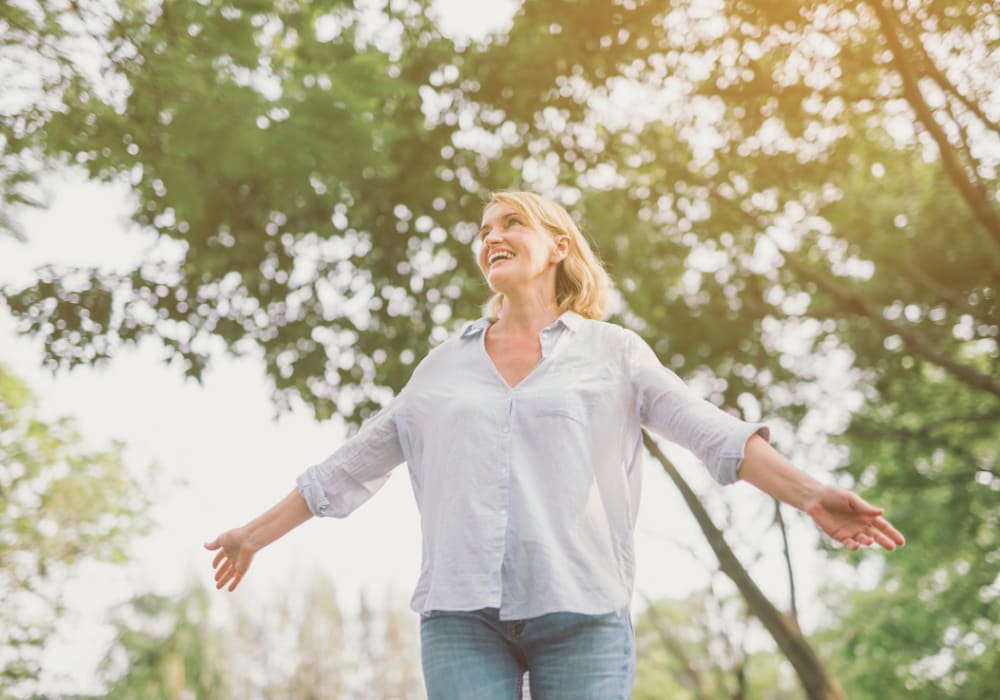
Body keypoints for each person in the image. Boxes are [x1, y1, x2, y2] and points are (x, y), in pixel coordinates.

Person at [205, 191, 905, 699]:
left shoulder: (613, 352)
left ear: (559, 246)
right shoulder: (442, 369)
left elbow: (709, 431)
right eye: (484, 230)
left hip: (583, 614)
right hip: (461, 619)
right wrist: (252, 535)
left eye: (512, 223)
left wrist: (811, 494)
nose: (492, 236)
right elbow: (350, 466)